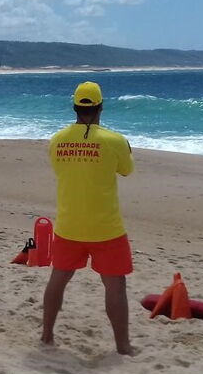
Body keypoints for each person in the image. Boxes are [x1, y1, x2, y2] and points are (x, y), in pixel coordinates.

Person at [42, 81, 135, 354]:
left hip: (69, 224)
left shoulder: (57, 140)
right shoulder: (114, 140)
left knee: (58, 279)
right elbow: (126, 170)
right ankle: (123, 346)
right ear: (100, 107)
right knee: (115, 285)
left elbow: (61, 169)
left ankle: (46, 335)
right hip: (106, 227)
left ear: (74, 108)